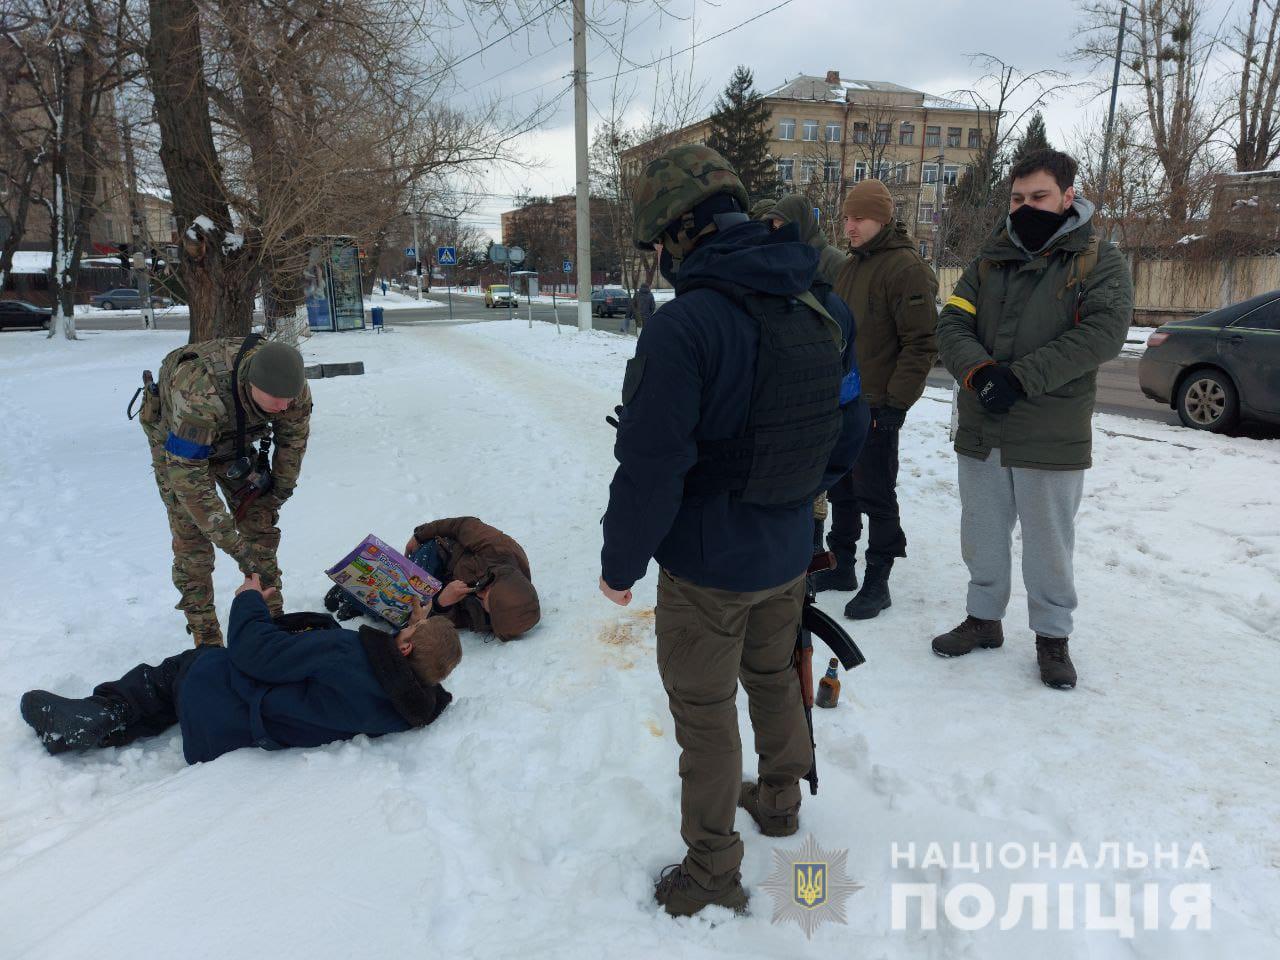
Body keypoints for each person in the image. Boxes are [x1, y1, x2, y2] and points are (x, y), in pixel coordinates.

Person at [599, 145, 868, 918]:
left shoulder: (686, 327)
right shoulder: (824, 304)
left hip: (706, 567)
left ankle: (712, 868)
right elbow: (851, 427)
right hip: (787, 549)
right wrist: (795, 496)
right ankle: (779, 799)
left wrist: (620, 562)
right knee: (776, 675)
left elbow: (651, 467)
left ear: (680, 233)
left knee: (707, 712)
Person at [933, 148, 1133, 689]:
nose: (1026, 207)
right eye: (1017, 198)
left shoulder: (1099, 259)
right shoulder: (988, 258)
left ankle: (1052, 638)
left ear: (1068, 197)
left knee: (1049, 542)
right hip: (983, 424)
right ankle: (983, 619)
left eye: (1038, 197)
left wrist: (1020, 377)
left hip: (1050, 430)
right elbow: (951, 323)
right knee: (982, 533)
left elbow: (1101, 334)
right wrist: (978, 372)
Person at [19, 575, 460, 763]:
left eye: (411, 629)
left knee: (184, 670)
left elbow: (254, 653)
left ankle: (103, 713)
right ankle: (109, 729)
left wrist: (249, 599)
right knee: (184, 691)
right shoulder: (407, 709)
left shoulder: (347, 653)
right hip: (241, 730)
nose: (407, 626)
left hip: (227, 704)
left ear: (403, 648)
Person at [139, 335, 312, 647]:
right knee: (193, 540)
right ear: (251, 384)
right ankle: (205, 635)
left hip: (235, 442)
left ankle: (272, 617)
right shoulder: (199, 395)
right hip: (179, 448)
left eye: (290, 398)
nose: (285, 406)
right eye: (277, 400)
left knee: (259, 528)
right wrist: (234, 546)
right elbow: (188, 480)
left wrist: (275, 495)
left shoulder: (291, 391)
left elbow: (292, 444)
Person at [818, 179, 939, 622]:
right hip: (844, 403)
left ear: (882, 219)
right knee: (842, 490)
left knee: (876, 494)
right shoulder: (851, 265)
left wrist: (895, 406)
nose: (849, 226)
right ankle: (842, 566)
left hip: (877, 406)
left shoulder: (906, 269)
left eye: (859, 219)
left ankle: (878, 579)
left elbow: (922, 343)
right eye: (847, 217)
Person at [397, 516, 541, 641]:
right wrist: (419, 535)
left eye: (484, 602)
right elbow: (461, 525)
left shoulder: (492, 617)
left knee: (405, 614)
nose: (479, 593)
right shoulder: (501, 549)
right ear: (499, 579)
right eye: (487, 589)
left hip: (440, 588)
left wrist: (442, 603)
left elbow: (452, 620)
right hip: (440, 553)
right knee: (406, 590)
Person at [762, 195, 848, 287]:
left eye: (784, 227)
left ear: (801, 225)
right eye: (775, 228)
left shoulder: (836, 262)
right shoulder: (778, 260)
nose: (778, 233)